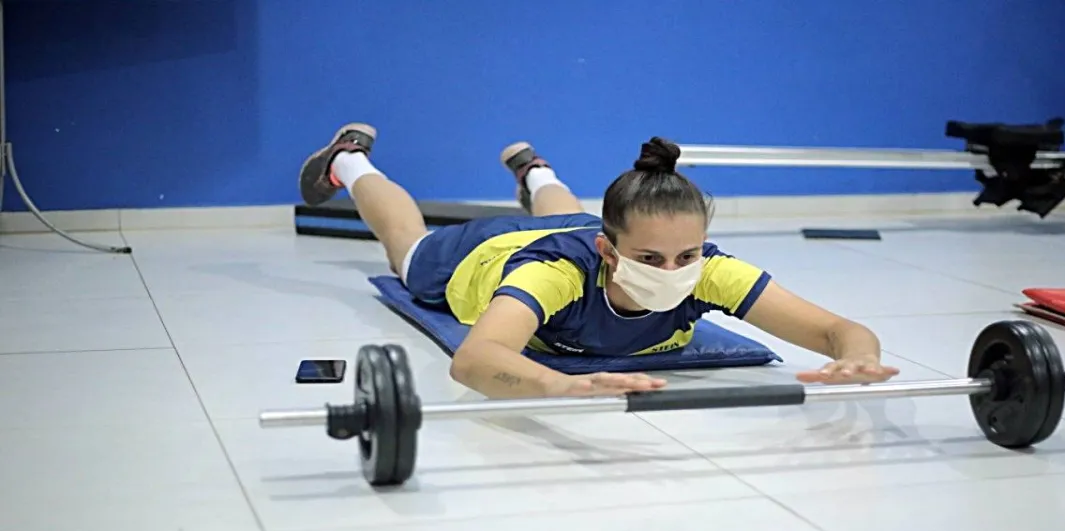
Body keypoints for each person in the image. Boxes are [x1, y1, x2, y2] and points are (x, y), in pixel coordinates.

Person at [299, 123, 900, 399]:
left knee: (575, 216)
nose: (672, 271)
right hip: (486, 257)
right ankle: (349, 160)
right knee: (407, 247)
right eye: (650, 258)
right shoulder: (554, 275)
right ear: (608, 254)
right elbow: (476, 360)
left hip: (580, 229)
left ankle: (535, 172)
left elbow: (838, 330)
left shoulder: (711, 271)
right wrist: (560, 384)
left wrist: (859, 357)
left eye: (686, 255)